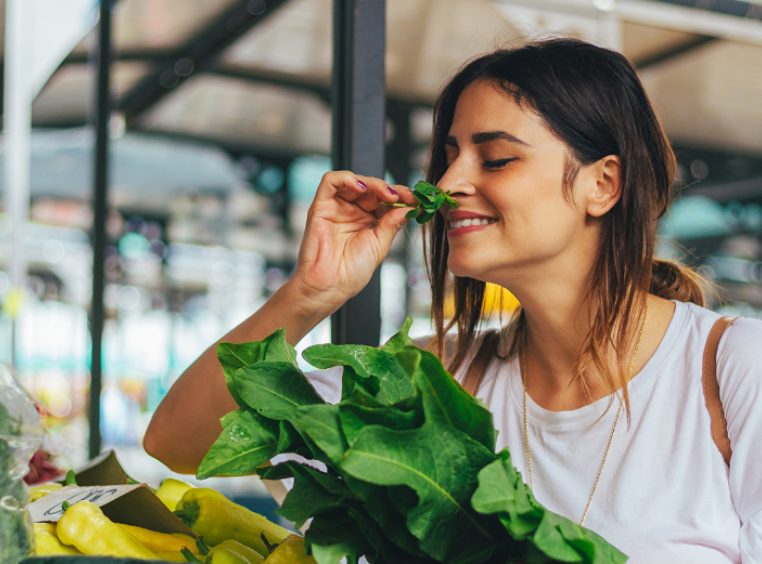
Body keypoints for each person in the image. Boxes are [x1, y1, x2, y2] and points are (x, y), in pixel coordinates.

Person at [144, 38, 762, 562]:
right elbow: (179, 441)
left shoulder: (732, 368)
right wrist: (312, 293)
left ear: (603, 184)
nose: (446, 185)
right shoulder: (435, 378)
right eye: (447, 156)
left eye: (496, 158)